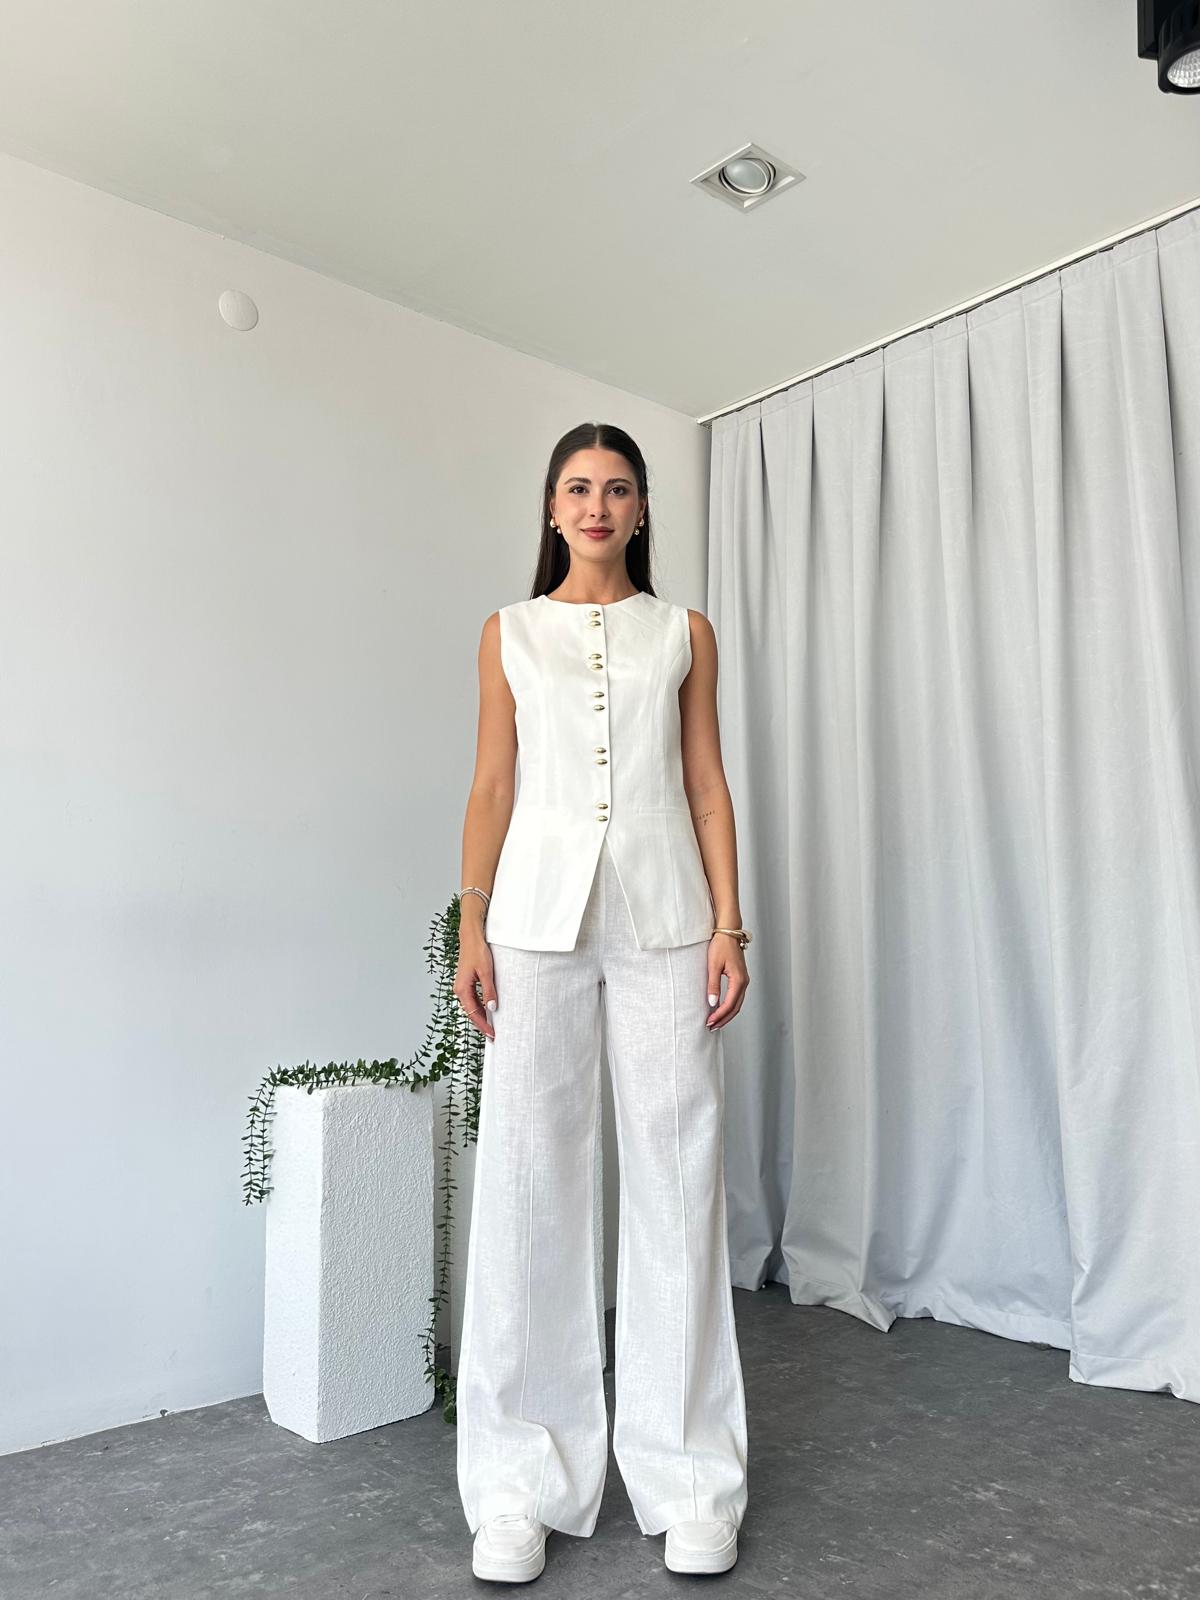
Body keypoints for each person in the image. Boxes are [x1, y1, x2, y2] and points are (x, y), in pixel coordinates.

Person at [453, 420, 752, 1583]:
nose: (595, 504)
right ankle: (519, 1484)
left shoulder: (683, 633)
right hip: (533, 926)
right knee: (530, 1186)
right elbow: (492, 783)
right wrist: (470, 921)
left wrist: (728, 924)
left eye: (617, 488)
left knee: (678, 1182)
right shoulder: (510, 632)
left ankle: (690, 1481)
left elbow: (706, 783)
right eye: (577, 487)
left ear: (640, 510)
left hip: (667, 922)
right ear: (550, 506)